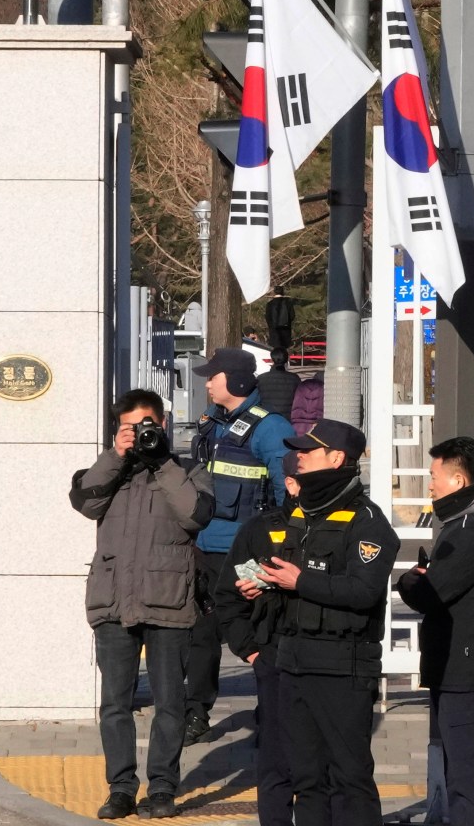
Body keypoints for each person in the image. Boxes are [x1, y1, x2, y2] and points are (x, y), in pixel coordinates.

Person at [72, 388, 209, 820]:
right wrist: (117, 455)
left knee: (170, 702)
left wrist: (162, 461)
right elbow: (85, 501)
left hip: (168, 602)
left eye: (146, 425)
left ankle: (163, 788)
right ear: (118, 430)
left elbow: (195, 515)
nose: (139, 433)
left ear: (163, 423)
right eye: (129, 427)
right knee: (115, 703)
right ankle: (120, 789)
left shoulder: (189, 469)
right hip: (112, 600)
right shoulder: (111, 471)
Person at [255, 418, 397, 826]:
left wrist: (300, 581)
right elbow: (294, 576)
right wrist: (267, 585)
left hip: (342, 665)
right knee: (307, 778)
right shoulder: (304, 513)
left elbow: (363, 591)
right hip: (295, 661)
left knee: (349, 778)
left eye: (308, 451)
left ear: (336, 459)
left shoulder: (367, 521)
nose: (298, 458)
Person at [395, 436, 474, 826]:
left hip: (467, 669)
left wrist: (409, 582)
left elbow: (432, 593)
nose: (429, 485)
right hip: (453, 666)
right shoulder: (460, 525)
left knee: (468, 776)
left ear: (458, 481)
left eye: (434, 476)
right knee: (458, 768)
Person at [185, 348, 290, 743]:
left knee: (259, 631)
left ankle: (272, 715)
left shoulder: (270, 428)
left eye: (214, 376)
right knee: (202, 633)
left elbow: (287, 494)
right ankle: (195, 714)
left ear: (236, 380)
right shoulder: (215, 424)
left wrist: (275, 552)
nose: (208, 382)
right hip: (209, 549)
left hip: (249, 554)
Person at [215, 469, 302, 826]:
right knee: (276, 766)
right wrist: (251, 651)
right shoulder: (262, 529)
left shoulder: (352, 523)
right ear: (291, 482)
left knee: (327, 771)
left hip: (332, 664)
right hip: (275, 660)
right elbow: (228, 596)